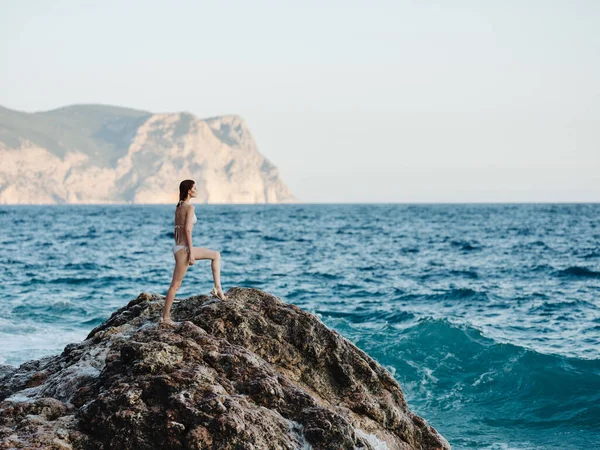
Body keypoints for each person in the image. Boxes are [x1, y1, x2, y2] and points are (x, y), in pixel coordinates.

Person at [160, 179, 227, 326]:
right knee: (175, 285)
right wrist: (190, 252)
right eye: (195, 188)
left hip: (178, 247)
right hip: (184, 249)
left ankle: (218, 289)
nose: (197, 190)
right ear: (189, 191)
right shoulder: (190, 208)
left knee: (215, 255)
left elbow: (177, 229)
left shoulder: (178, 206)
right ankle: (165, 318)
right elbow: (188, 230)